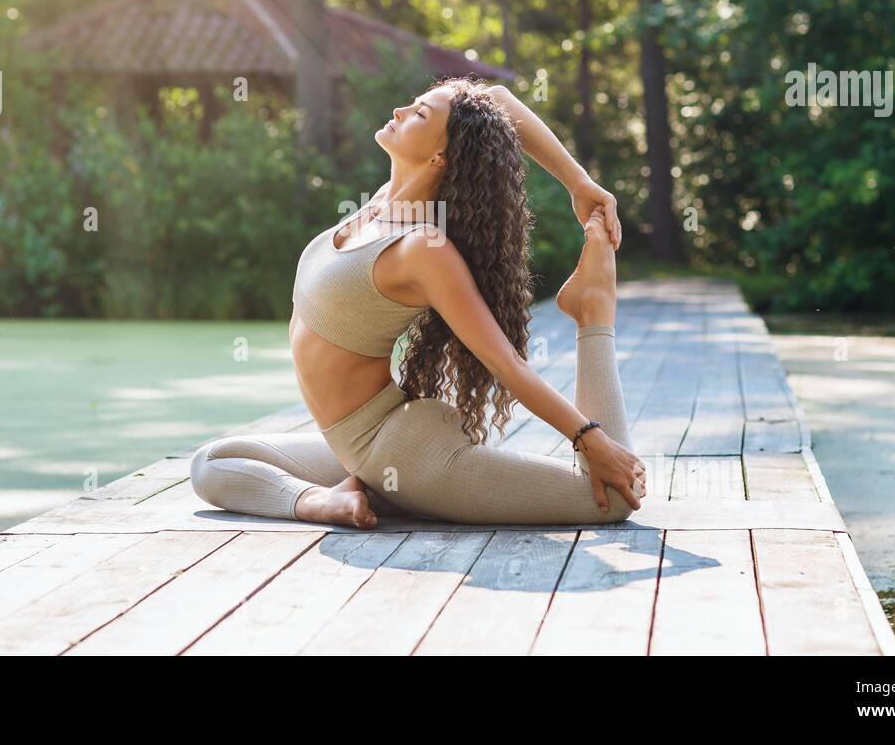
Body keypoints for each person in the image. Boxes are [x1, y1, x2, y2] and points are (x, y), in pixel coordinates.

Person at [190, 77, 647, 528]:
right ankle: (322, 501)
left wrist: (589, 439)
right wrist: (579, 184)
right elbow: (496, 100)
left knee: (608, 501)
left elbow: (506, 363)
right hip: (353, 446)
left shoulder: (422, 248)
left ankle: (593, 310)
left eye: (419, 113)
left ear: (440, 156)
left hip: (404, 455)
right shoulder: (382, 205)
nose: (400, 111)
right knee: (213, 463)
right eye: (411, 104)